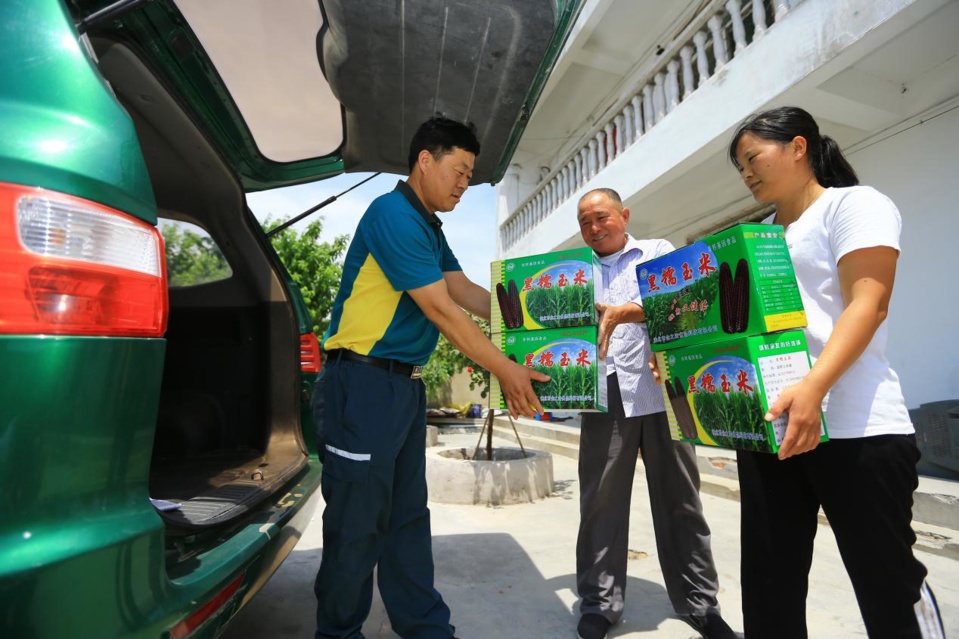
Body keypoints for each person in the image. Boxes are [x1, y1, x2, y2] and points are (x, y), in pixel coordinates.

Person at [311, 117, 548, 639]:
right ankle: (338, 634)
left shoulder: (426, 226)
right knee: (356, 525)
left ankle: (424, 628)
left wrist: (536, 326)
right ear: (425, 160)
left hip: (402, 389)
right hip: (363, 387)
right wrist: (506, 368)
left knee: (407, 519)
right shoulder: (392, 215)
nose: (465, 184)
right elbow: (441, 310)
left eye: (470, 175)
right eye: (459, 171)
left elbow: (464, 290)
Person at [727, 106, 945, 638]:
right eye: (740, 168)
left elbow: (867, 304)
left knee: (886, 580)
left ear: (799, 148)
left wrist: (815, 387)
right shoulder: (758, 234)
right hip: (774, 429)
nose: (747, 173)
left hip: (857, 428)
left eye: (753, 158)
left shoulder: (853, 206)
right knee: (769, 582)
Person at [574, 188, 738, 639]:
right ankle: (599, 604)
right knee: (600, 501)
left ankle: (700, 603)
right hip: (606, 394)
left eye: (602, 217)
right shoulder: (576, 272)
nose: (594, 227)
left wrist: (632, 316)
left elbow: (684, 300)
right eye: (585, 221)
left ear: (624, 216)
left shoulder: (659, 252)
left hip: (664, 388)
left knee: (681, 498)